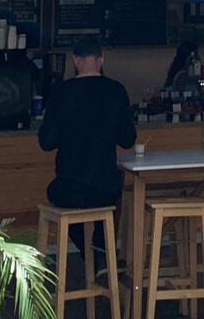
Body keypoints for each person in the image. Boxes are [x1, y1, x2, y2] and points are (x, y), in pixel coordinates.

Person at [38, 37, 135, 255]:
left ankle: (92, 255)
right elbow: (128, 139)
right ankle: (101, 256)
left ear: (75, 60)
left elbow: (46, 142)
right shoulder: (116, 90)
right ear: (101, 59)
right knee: (105, 200)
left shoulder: (60, 92)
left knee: (61, 196)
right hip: (105, 188)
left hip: (69, 188)